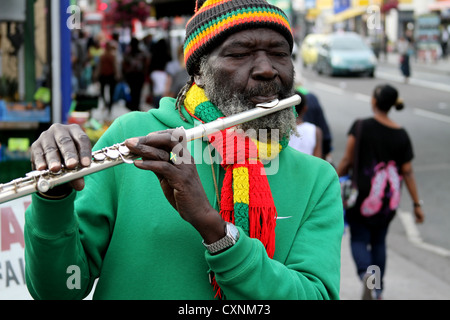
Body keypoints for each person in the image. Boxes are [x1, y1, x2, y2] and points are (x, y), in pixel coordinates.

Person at [24, 0, 343, 300]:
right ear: (199, 73)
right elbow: (59, 289)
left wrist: (216, 231)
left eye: (279, 53)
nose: (266, 69)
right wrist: (53, 200)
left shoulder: (317, 178)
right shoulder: (133, 134)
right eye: (240, 53)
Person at [336, 84, 425, 300]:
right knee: (378, 242)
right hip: (388, 201)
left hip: (361, 198)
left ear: (374, 101)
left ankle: (367, 274)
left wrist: (331, 181)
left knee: (358, 238)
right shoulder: (401, 134)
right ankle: (377, 289)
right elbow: (408, 172)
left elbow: (347, 160)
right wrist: (416, 204)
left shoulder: (361, 126)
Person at [288, 91, 323, 157]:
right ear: (305, 109)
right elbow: (318, 159)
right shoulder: (315, 131)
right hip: (307, 167)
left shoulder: (276, 129)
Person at [122, 37, 150, 111]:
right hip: (138, 76)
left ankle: (134, 106)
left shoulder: (128, 54)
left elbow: (124, 65)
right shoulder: (141, 53)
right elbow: (146, 64)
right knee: (137, 92)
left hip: (132, 76)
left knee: (133, 91)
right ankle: (135, 106)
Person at [96, 41, 119, 115]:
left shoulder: (109, 55)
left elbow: (114, 66)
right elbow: (100, 66)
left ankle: (109, 106)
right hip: (106, 75)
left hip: (109, 75)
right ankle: (107, 105)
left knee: (109, 92)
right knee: (105, 92)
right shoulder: (106, 55)